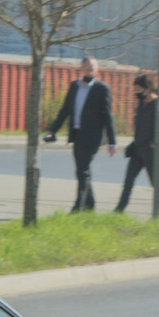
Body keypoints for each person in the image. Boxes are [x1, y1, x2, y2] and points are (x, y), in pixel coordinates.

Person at [42, 56, 115, 213]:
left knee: (83, 170)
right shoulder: (74, 86)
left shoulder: (102, 89)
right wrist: (52, 131)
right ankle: (90, 206)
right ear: (82, 69)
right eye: (88, 68)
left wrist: (112, 141)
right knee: (82, 170)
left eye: (93, 69)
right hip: (77, 135)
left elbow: (108, 116)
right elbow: (65, 111)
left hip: (93, 137)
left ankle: (77, 208)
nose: (91, 71)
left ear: (97, 70)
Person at [115, 70, 157, 212]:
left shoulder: (158, 105)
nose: (136, 93)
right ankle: (120, 209)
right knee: (128, 181)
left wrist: (153, 143)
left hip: (150, 152)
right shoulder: (141, 104)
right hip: (138, 149)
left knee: (156, 183)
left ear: (148, 89)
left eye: (138, 90)